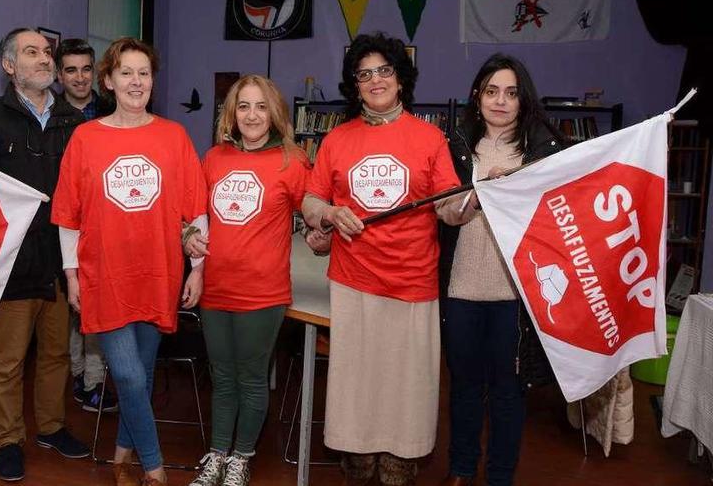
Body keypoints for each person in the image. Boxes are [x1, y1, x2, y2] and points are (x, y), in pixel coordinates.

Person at [300, 32, 460, 486]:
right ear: (355, 84)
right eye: (364, 73)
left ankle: (398, 471)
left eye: (384, 70)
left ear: (401, 78)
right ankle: (358, 469)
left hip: (412, 284)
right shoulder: (337, 139)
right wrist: (329, 212)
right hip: (353, 282)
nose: (375, 80)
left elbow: (448, 206)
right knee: (356, 390)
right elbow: (310, 201)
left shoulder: (430, 138)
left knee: (406, 390)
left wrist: (473, 199)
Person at [51, 37, 207, 486]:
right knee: (127, 375)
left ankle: (122, 453)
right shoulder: (85, 137)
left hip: (159, 273)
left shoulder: (173, 136)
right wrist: (72, 275)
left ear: (153, 81)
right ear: (108, 81)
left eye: (144, 73)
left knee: (138, 375)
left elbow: (195, 209)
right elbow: (69, 217)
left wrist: (197, 267)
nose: (136, 81)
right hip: (105, 276)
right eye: (126, 73)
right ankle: (154, 468)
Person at [0, 27, 89, 482]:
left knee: (56, 354)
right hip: (11, 263)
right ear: (9, 66)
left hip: (61, 262)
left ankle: (51, 427)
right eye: (31, 52)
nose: (44, 59)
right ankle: (9, 440)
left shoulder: (75, 124)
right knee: (9, 360)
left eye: (46, 52)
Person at [436, 53, 565, 486]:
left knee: (508, 393)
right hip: (461, 288)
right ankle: (460, 468)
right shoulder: (454, 147)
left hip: (516, 294)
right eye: (492, 91)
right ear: (477, 97)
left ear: (523, 100)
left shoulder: (543, 152)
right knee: (465, 387)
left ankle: (500, 477)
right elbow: (445, 212)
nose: (500, 101)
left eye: (511, 93)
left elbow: (557, 219)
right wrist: (478, 194)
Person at [183, 75, 310, 486]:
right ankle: (218, 453)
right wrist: (187, 237)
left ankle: (242, 457)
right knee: (222, 375)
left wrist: (322, 231)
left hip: (263, 291)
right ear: (231, 114)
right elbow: (194, 216)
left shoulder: (293, 160)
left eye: (260, 106)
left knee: (252, 376)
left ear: (273, 113)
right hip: (215, 287)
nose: (252, 115)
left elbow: (314, 214)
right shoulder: (214, 158)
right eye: (243, 106)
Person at [53, 37, 118, 413]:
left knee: (95, 307)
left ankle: (94, 381)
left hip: (107, 225)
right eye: (71, 70)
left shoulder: (111, 109)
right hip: (65, 224)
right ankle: (79, 376)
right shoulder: (50, 116)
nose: (80, 77)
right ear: (60, 75)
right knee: (72, 307)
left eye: (86, 69)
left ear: (96, 72)